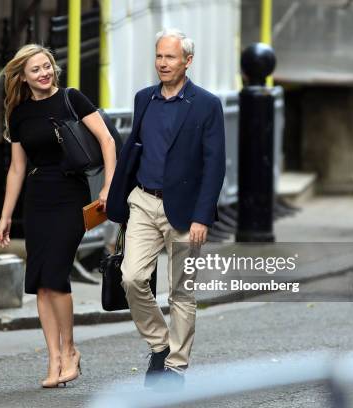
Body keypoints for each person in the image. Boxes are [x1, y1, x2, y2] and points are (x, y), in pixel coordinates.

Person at [106, 28, 226, 388]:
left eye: (170, 57)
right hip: (143, 201)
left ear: (187, 61)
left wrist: (202, 216)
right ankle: (160, 343)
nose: (162, 63)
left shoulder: (206, 104)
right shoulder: (144, 98)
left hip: (185, 211)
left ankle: (175, 367)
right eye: (159, 56)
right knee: (131, 277)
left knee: (182, 293)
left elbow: (214, 164)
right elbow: (135, 149)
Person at [0, 44, 117, 388]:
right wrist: (5, 216)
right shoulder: (18, 114)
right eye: (36, 70)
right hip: (38, 196)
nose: (44, 73)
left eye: (47, 66)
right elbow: (17, 169)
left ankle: (71, 350)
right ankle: (53, 359)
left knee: (56, 275)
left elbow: (106, 140)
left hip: (70, 193)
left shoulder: (71, 99)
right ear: (23, 76)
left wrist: (108, 187)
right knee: (40, 284)